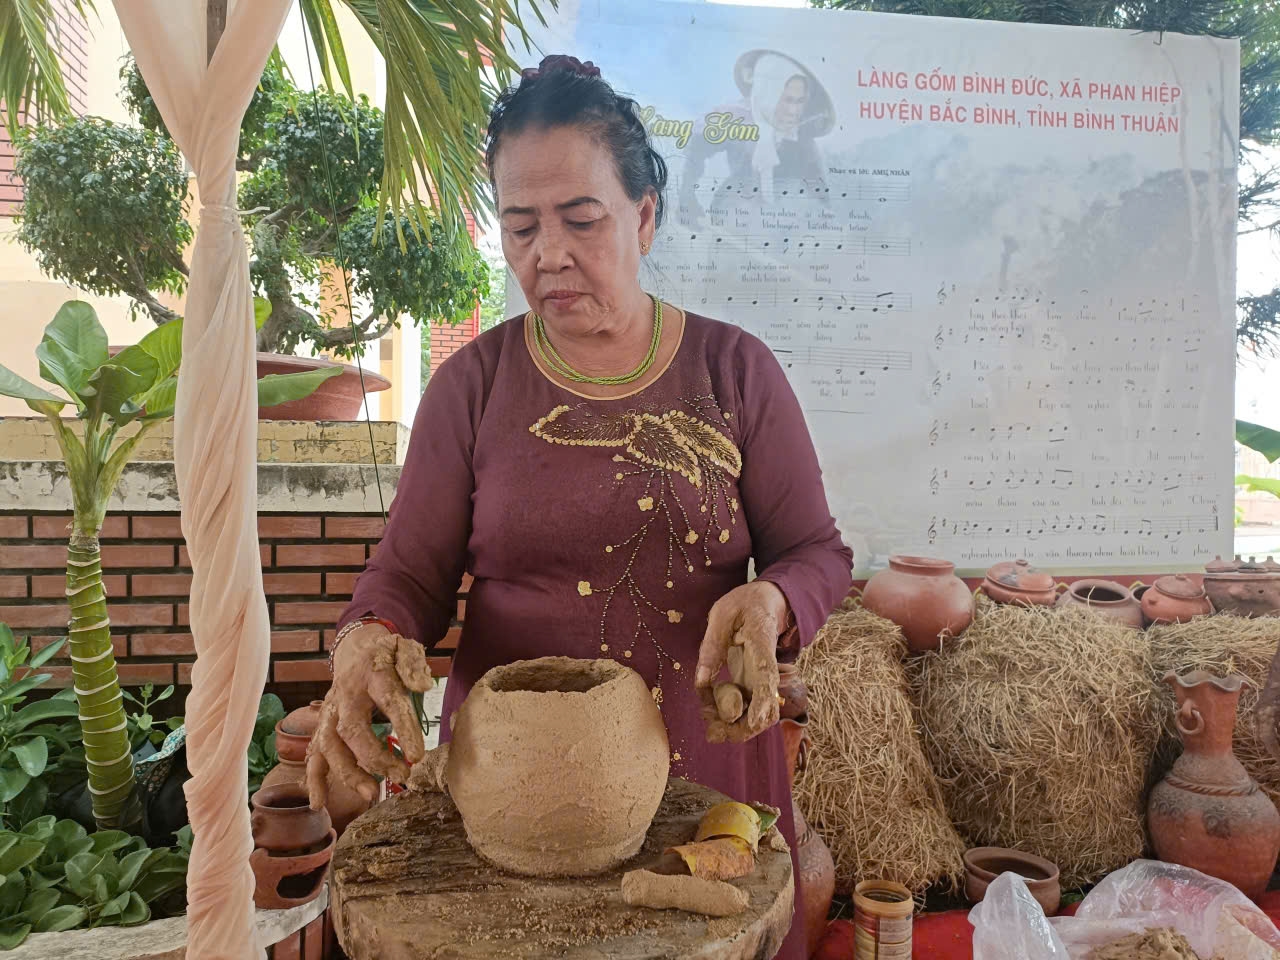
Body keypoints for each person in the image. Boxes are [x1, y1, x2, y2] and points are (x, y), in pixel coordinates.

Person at [306, 54, 853, 960]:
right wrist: (364, 637)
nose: (546, 253)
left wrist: (774, 601)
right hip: (512, 808)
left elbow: (816, 551)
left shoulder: (734, 372)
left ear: (643, 216)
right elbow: (407, 577)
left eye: (580, 220)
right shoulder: (472, 388)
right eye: (519, 226)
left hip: (700, 786)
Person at [679, 49, 835, 222]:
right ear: (768, 94)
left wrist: (823, 217)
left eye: (800, 102)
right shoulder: (734, 117)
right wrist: (687, 197)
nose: (793, 111)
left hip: (780, 221)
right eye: (787, 100)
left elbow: (819, 192)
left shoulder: (802, 140)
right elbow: (695, 148)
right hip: (733, 212)